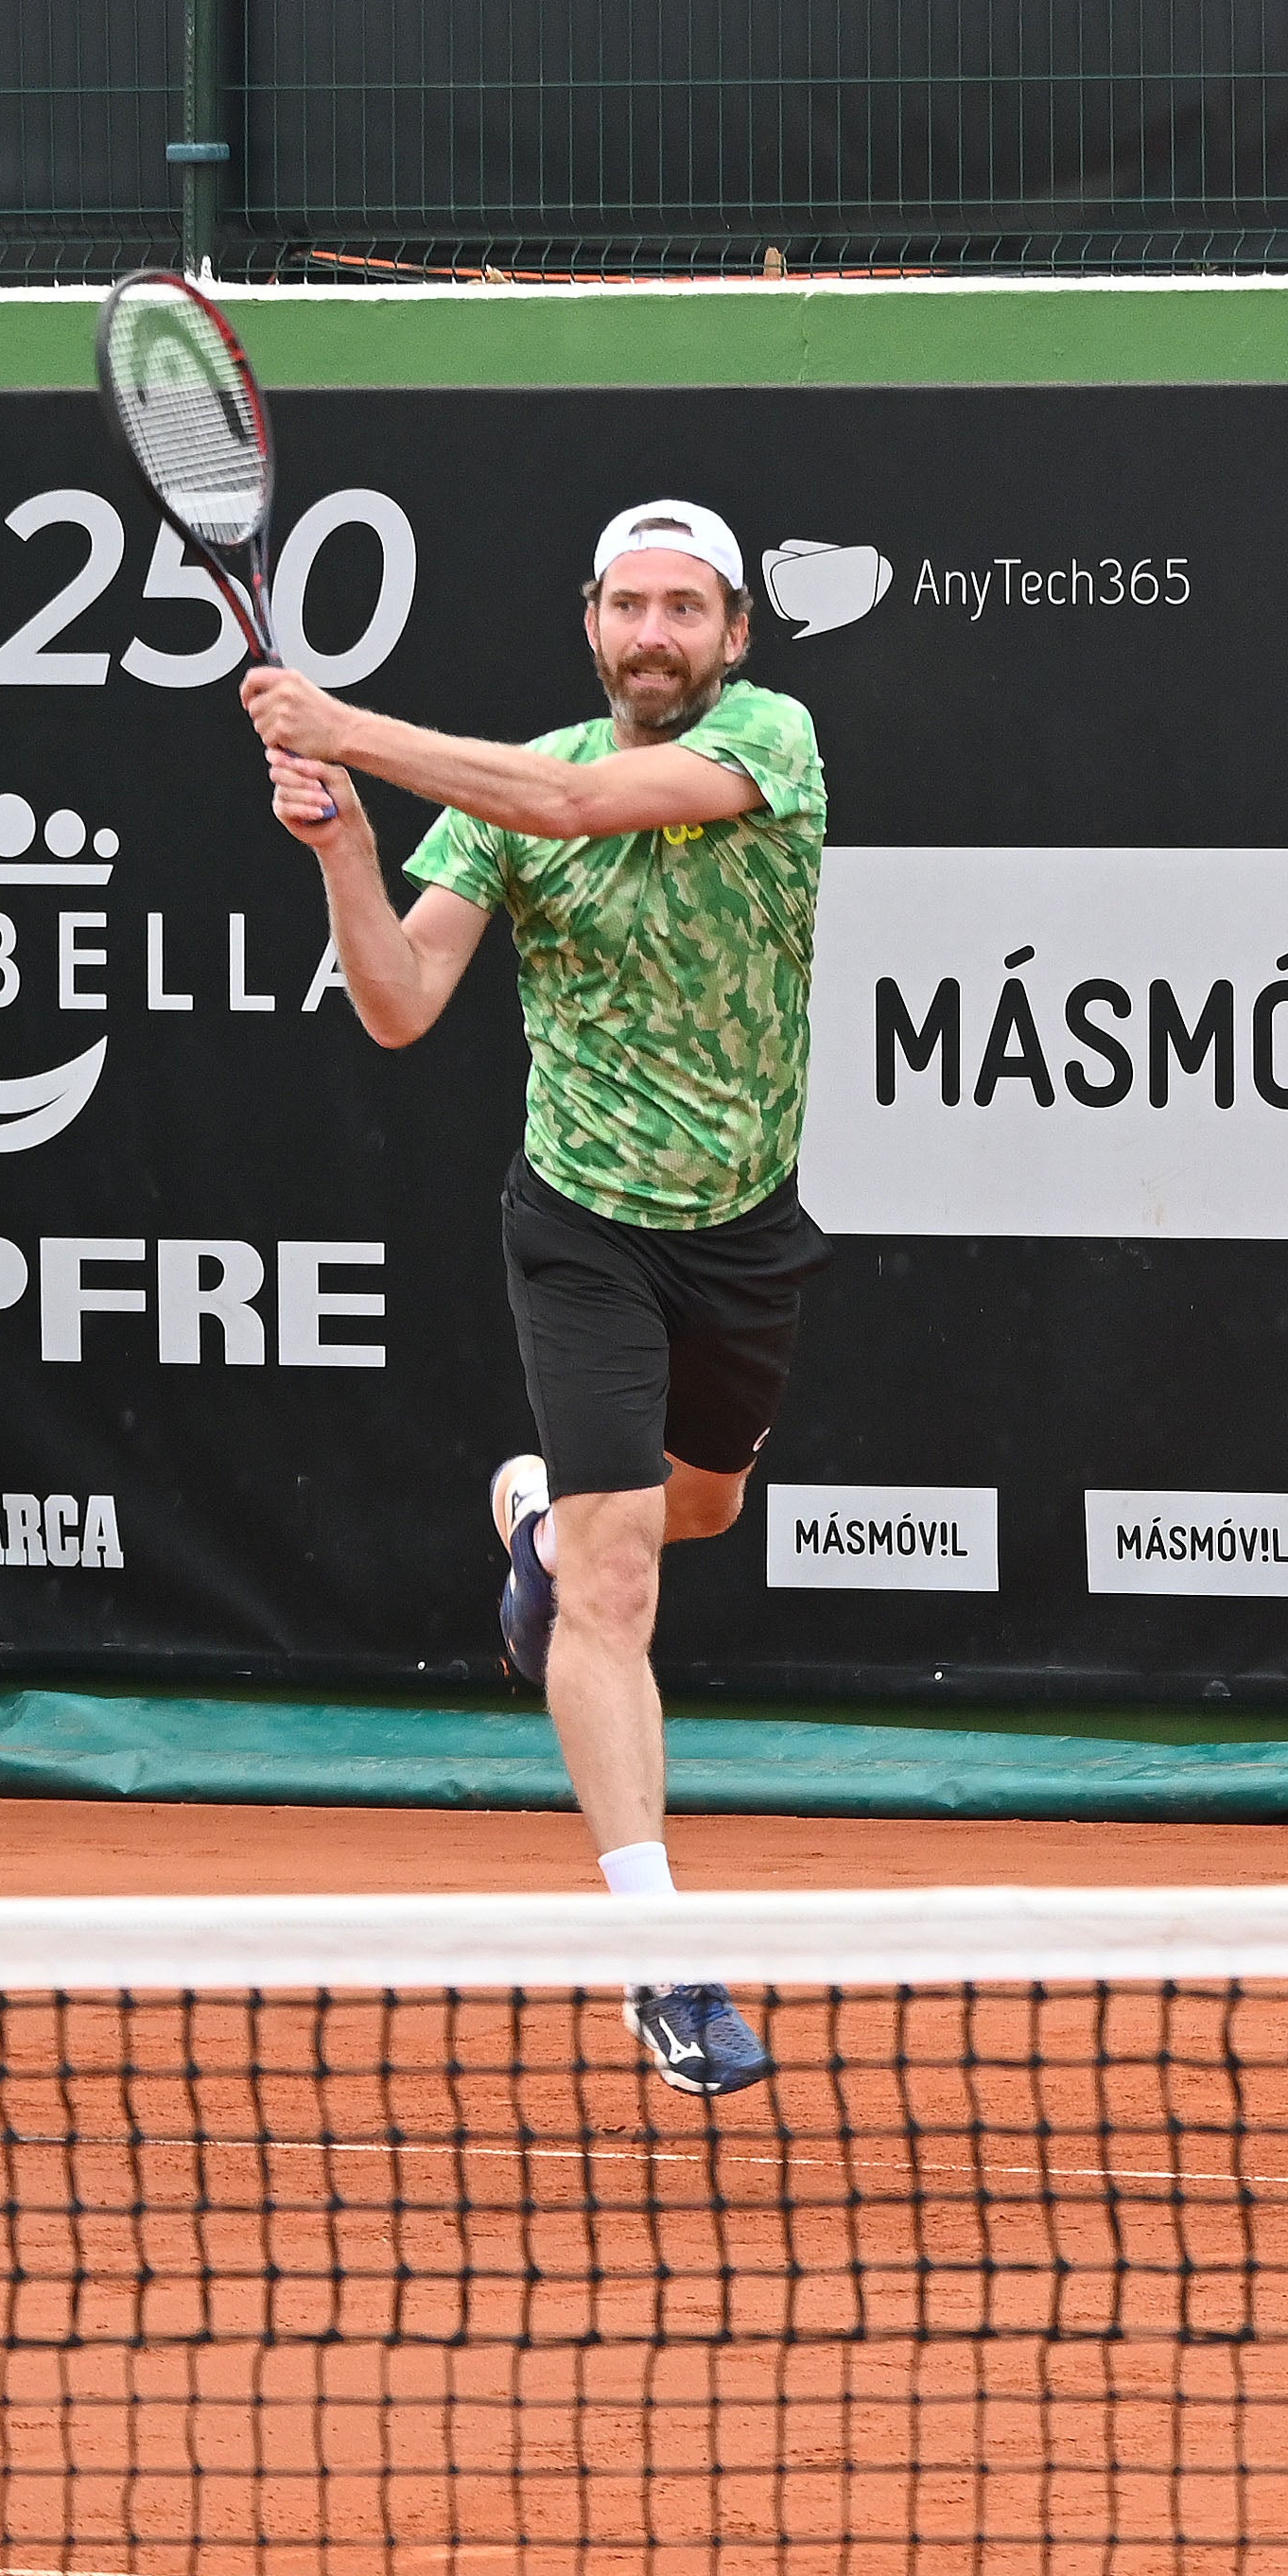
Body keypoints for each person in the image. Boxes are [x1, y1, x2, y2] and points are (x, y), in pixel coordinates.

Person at [242, 499, 830, 2099]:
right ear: (589, 624)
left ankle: (542, 1527)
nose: (656, 633)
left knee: (694, 1513)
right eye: (630, 606)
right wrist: (347, 846)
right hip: (580, 1224)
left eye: (685, 609)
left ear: (731, 635)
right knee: (621, 1591)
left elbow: (569, 802)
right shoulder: (492, 806)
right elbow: (398, 1001)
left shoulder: (769, 743)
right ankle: (661, 1958)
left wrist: (339, 721)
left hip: (742, 1224)